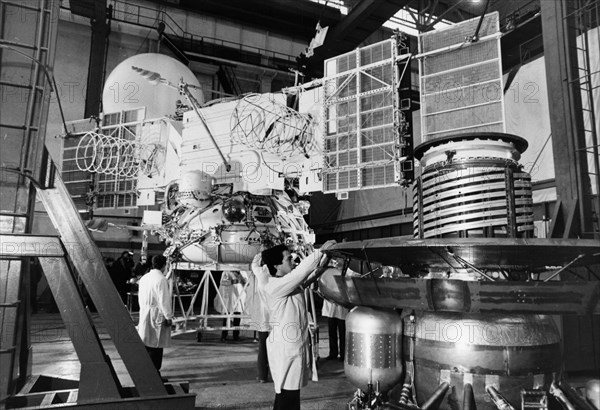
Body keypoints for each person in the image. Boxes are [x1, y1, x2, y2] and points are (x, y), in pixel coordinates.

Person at [256, 240, 336, 410]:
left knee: (288, 396)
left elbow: (308, 277)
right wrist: (321, 251)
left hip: (293, 346)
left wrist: (325, 259)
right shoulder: (275, 286)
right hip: (286, 348)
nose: (293, 261)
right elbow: (301, 272)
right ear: (276, 265)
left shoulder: (286, 284)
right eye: (288, 259)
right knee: (288, 397)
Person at [136, 255, 173, 377]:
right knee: (156, 344)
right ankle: (154, 374)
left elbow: (140, 297)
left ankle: (146, 371)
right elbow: (164, 300)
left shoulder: (144, 278)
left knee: (146, 342)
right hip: (156, 314)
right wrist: (168, 316)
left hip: (145, 311)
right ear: (164, 265)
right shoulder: (161, 279)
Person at [248, 254, 273, 383]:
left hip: (263, 318)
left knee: (262, 347)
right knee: (276, 348)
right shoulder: (278, 275)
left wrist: (260, 253)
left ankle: (262, 376)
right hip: (277, 317)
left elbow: (254, 263)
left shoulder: (261, 273)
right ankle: (277, 374)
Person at [214, 270, 247, 341]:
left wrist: (240, 277)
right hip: (229, 299)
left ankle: (236, 336)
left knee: (237, 318)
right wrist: (234, 281)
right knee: (226, 318)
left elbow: (246, 283)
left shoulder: (243, 272)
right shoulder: (226, 271)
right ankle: (224, 335)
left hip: (239, 298)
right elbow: (223, 282)